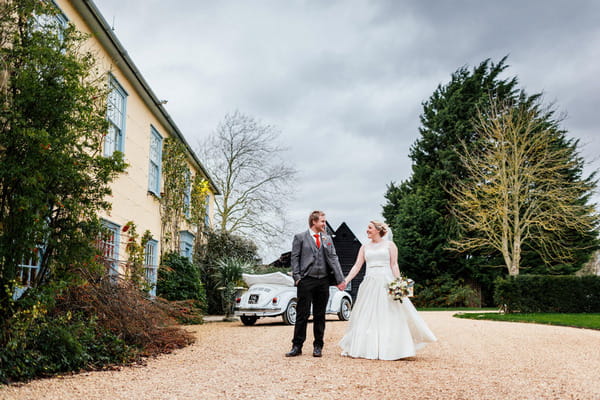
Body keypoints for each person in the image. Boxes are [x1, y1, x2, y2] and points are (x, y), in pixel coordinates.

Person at [339, 221, 436, 360]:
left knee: (389, 313)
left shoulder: (390, 245)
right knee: (367, 314)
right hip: (370, 283)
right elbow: (357, 266)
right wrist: (346, 280)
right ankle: (366, 347)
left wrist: (399, 283)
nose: (367, 230)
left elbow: (394, 265)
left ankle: (393, 348)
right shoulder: (364, 247)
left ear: (378, 230)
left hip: (386, 282)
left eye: (370, 228)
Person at [286, 210, 346, 358]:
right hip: (306, 280)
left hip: (323, 280)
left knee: (320, 315)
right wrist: (297, 278)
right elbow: (295, 259)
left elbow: (333, 258)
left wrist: (340, 279)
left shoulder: (327, 238)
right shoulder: (300, 238)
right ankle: (297, 346)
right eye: (323, 221)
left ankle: (318, 346)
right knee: (302, 314)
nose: (324, 224)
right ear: (314, 222)